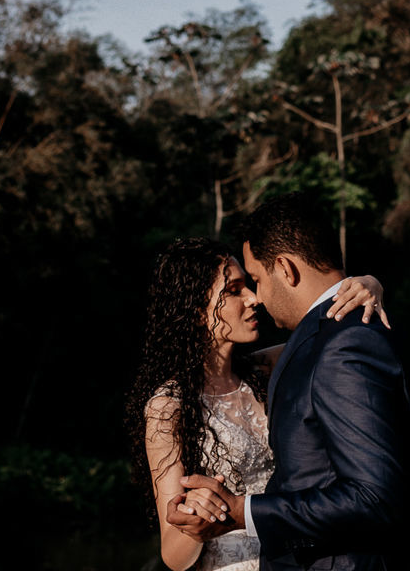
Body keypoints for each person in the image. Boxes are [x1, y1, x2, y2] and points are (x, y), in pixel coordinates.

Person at [167, 196, 410, 571]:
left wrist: (244, 512)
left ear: (285, 269)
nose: (257, 297)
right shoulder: (327, 339)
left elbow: (374, 496)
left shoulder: (345, 343)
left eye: (256, 280)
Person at [126, 234, 388, 571]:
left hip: (293, 558)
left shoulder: (266, 369)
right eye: (233, 290)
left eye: (248, 285)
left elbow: (330, 334)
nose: (254, 298)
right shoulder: (167, 407)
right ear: (194, 311)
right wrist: (202, 515)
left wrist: (368, 284)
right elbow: (172, 555)